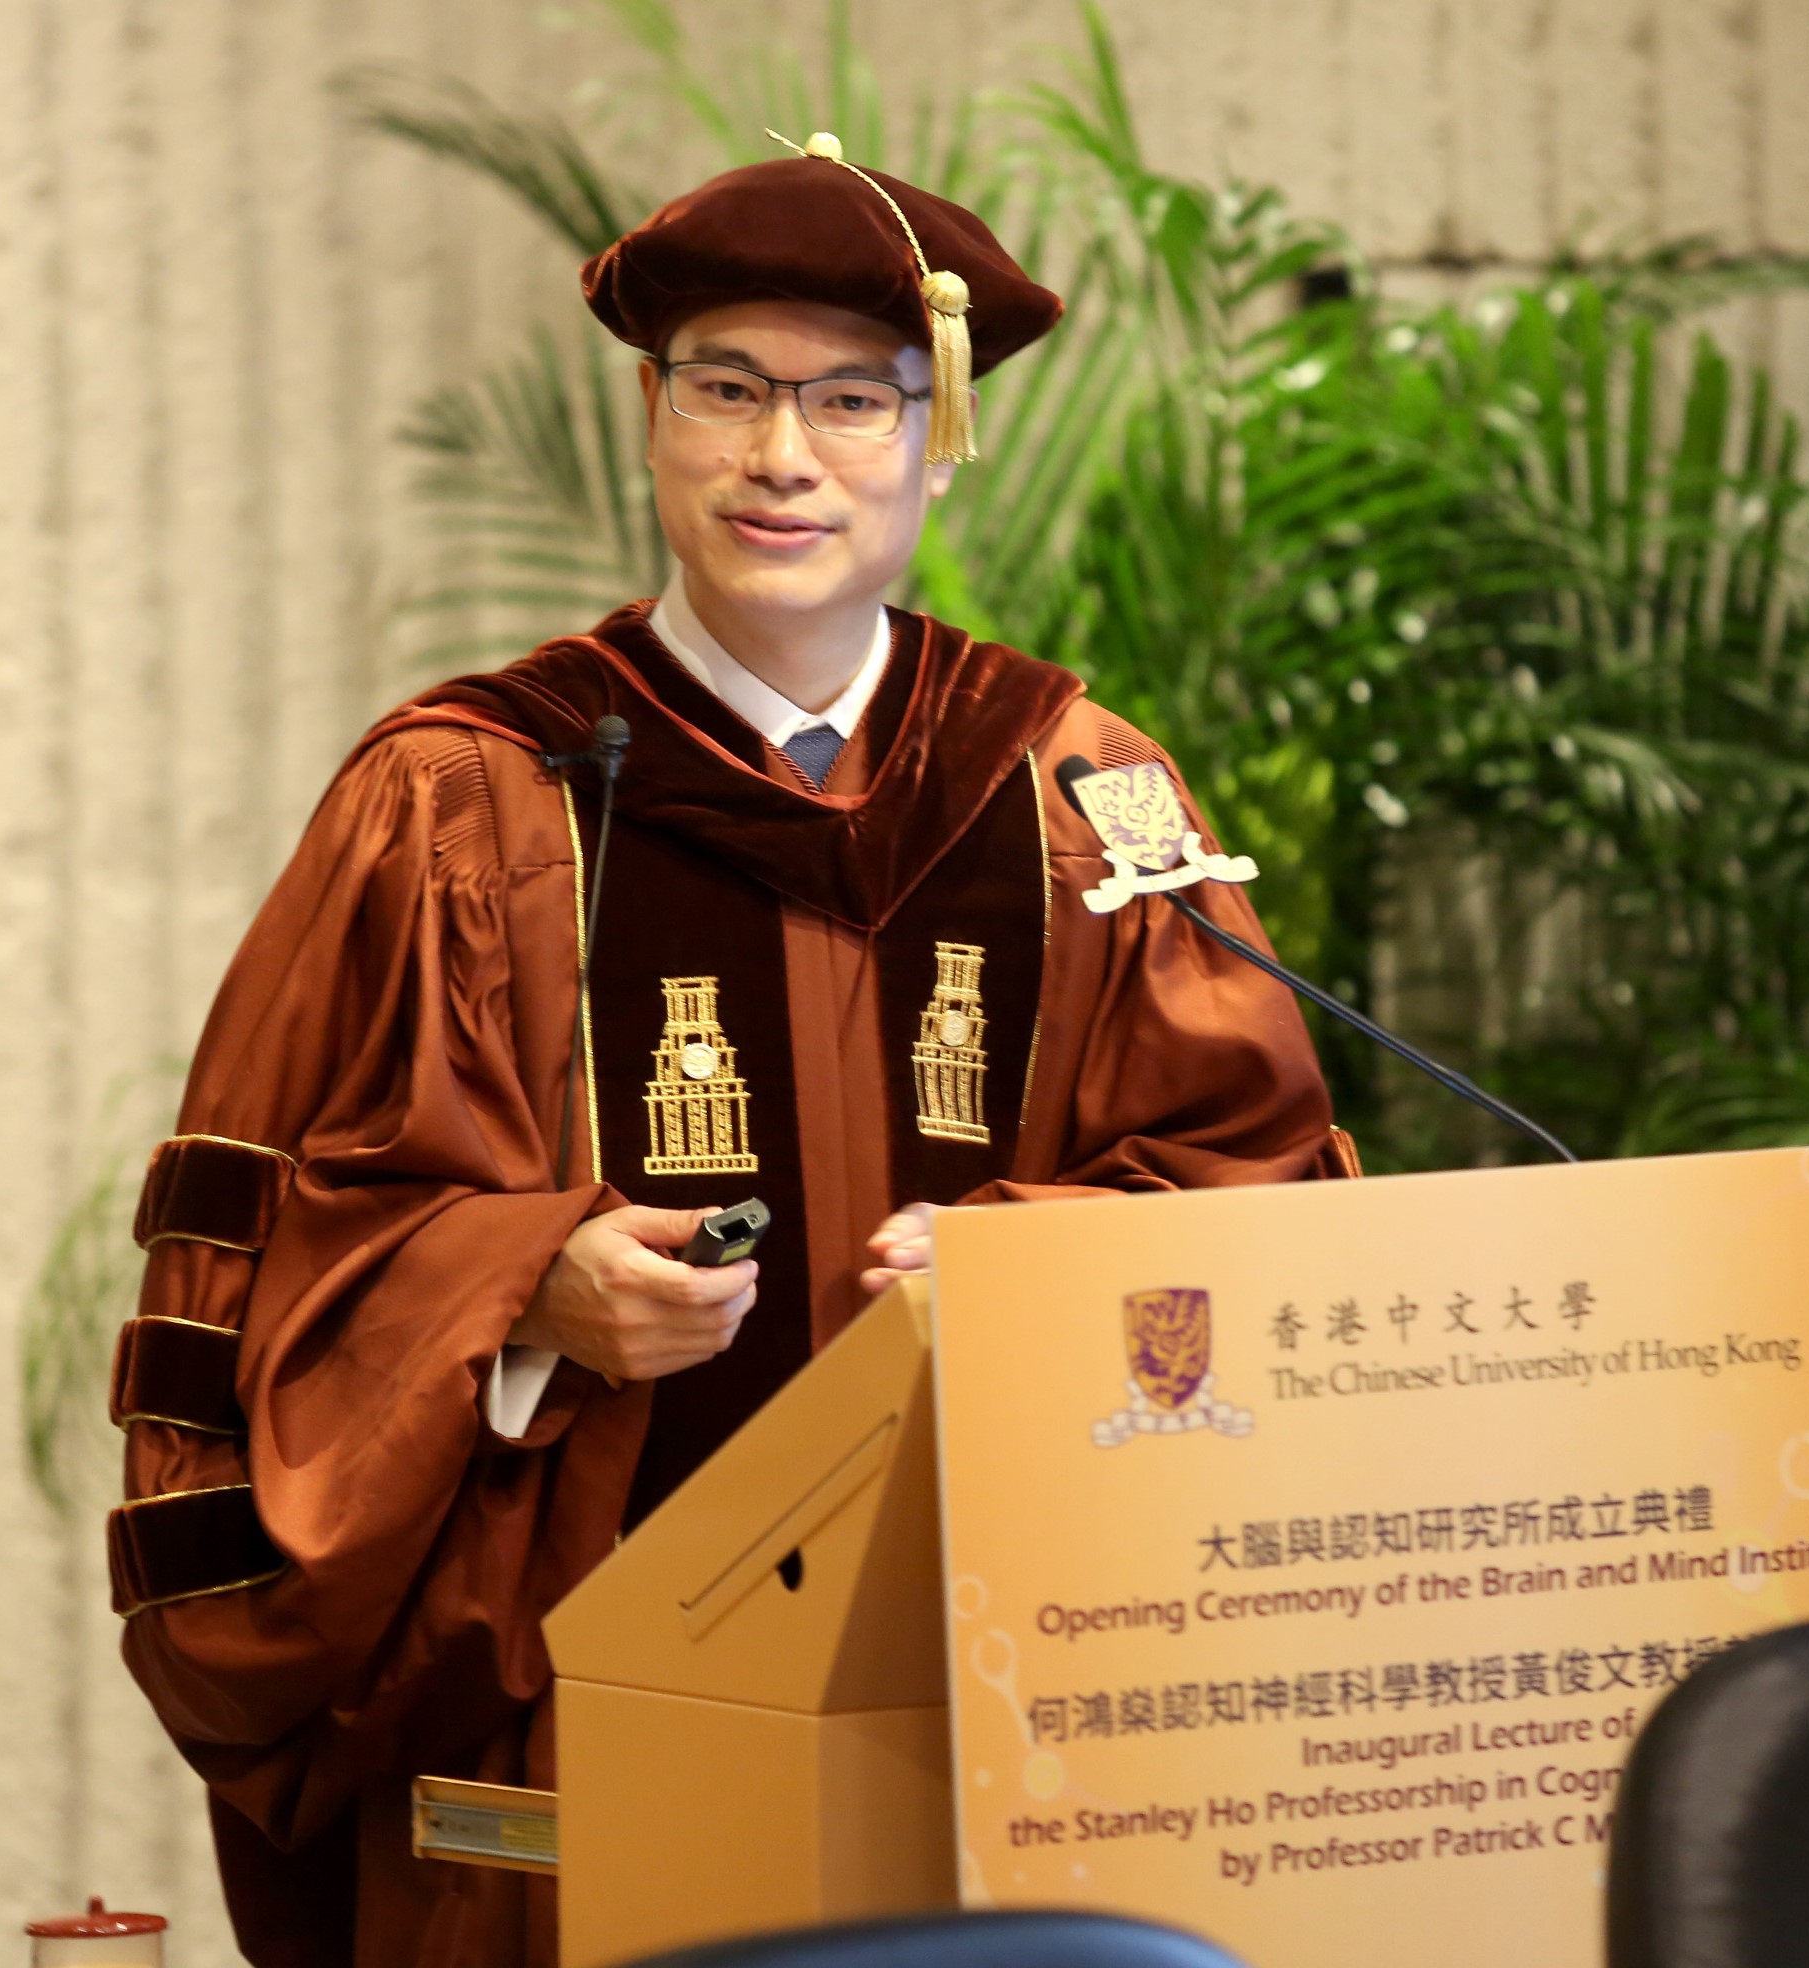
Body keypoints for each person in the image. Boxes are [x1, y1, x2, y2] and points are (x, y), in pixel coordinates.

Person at [106, 134, 1351, 1968]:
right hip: (580, 1710)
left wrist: (1043, 1267)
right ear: (648, 412)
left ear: (940, 440)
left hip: (1012, 1717)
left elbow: (1264, 1205)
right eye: (732, 392)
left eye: (857, 401)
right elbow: (275, 1243)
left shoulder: (1082, 790)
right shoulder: (466, 795)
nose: (787, 457)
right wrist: (528, 1298)